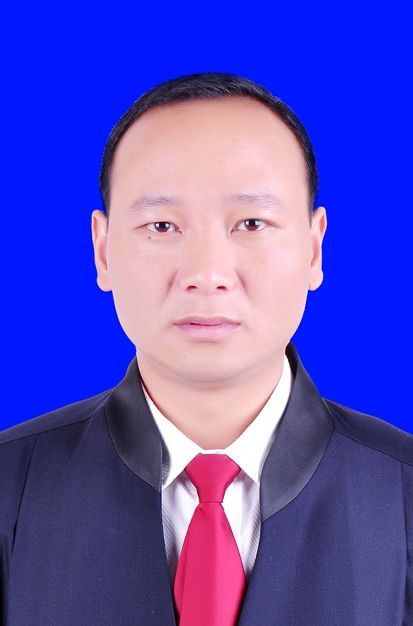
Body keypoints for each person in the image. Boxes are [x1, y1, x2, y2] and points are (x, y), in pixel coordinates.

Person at [0, 72, 412, 626]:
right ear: (102, 250)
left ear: (315, 249)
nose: (207, 273)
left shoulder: (404, 494)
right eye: (162, 225)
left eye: (251, 222)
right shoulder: (10, 487)